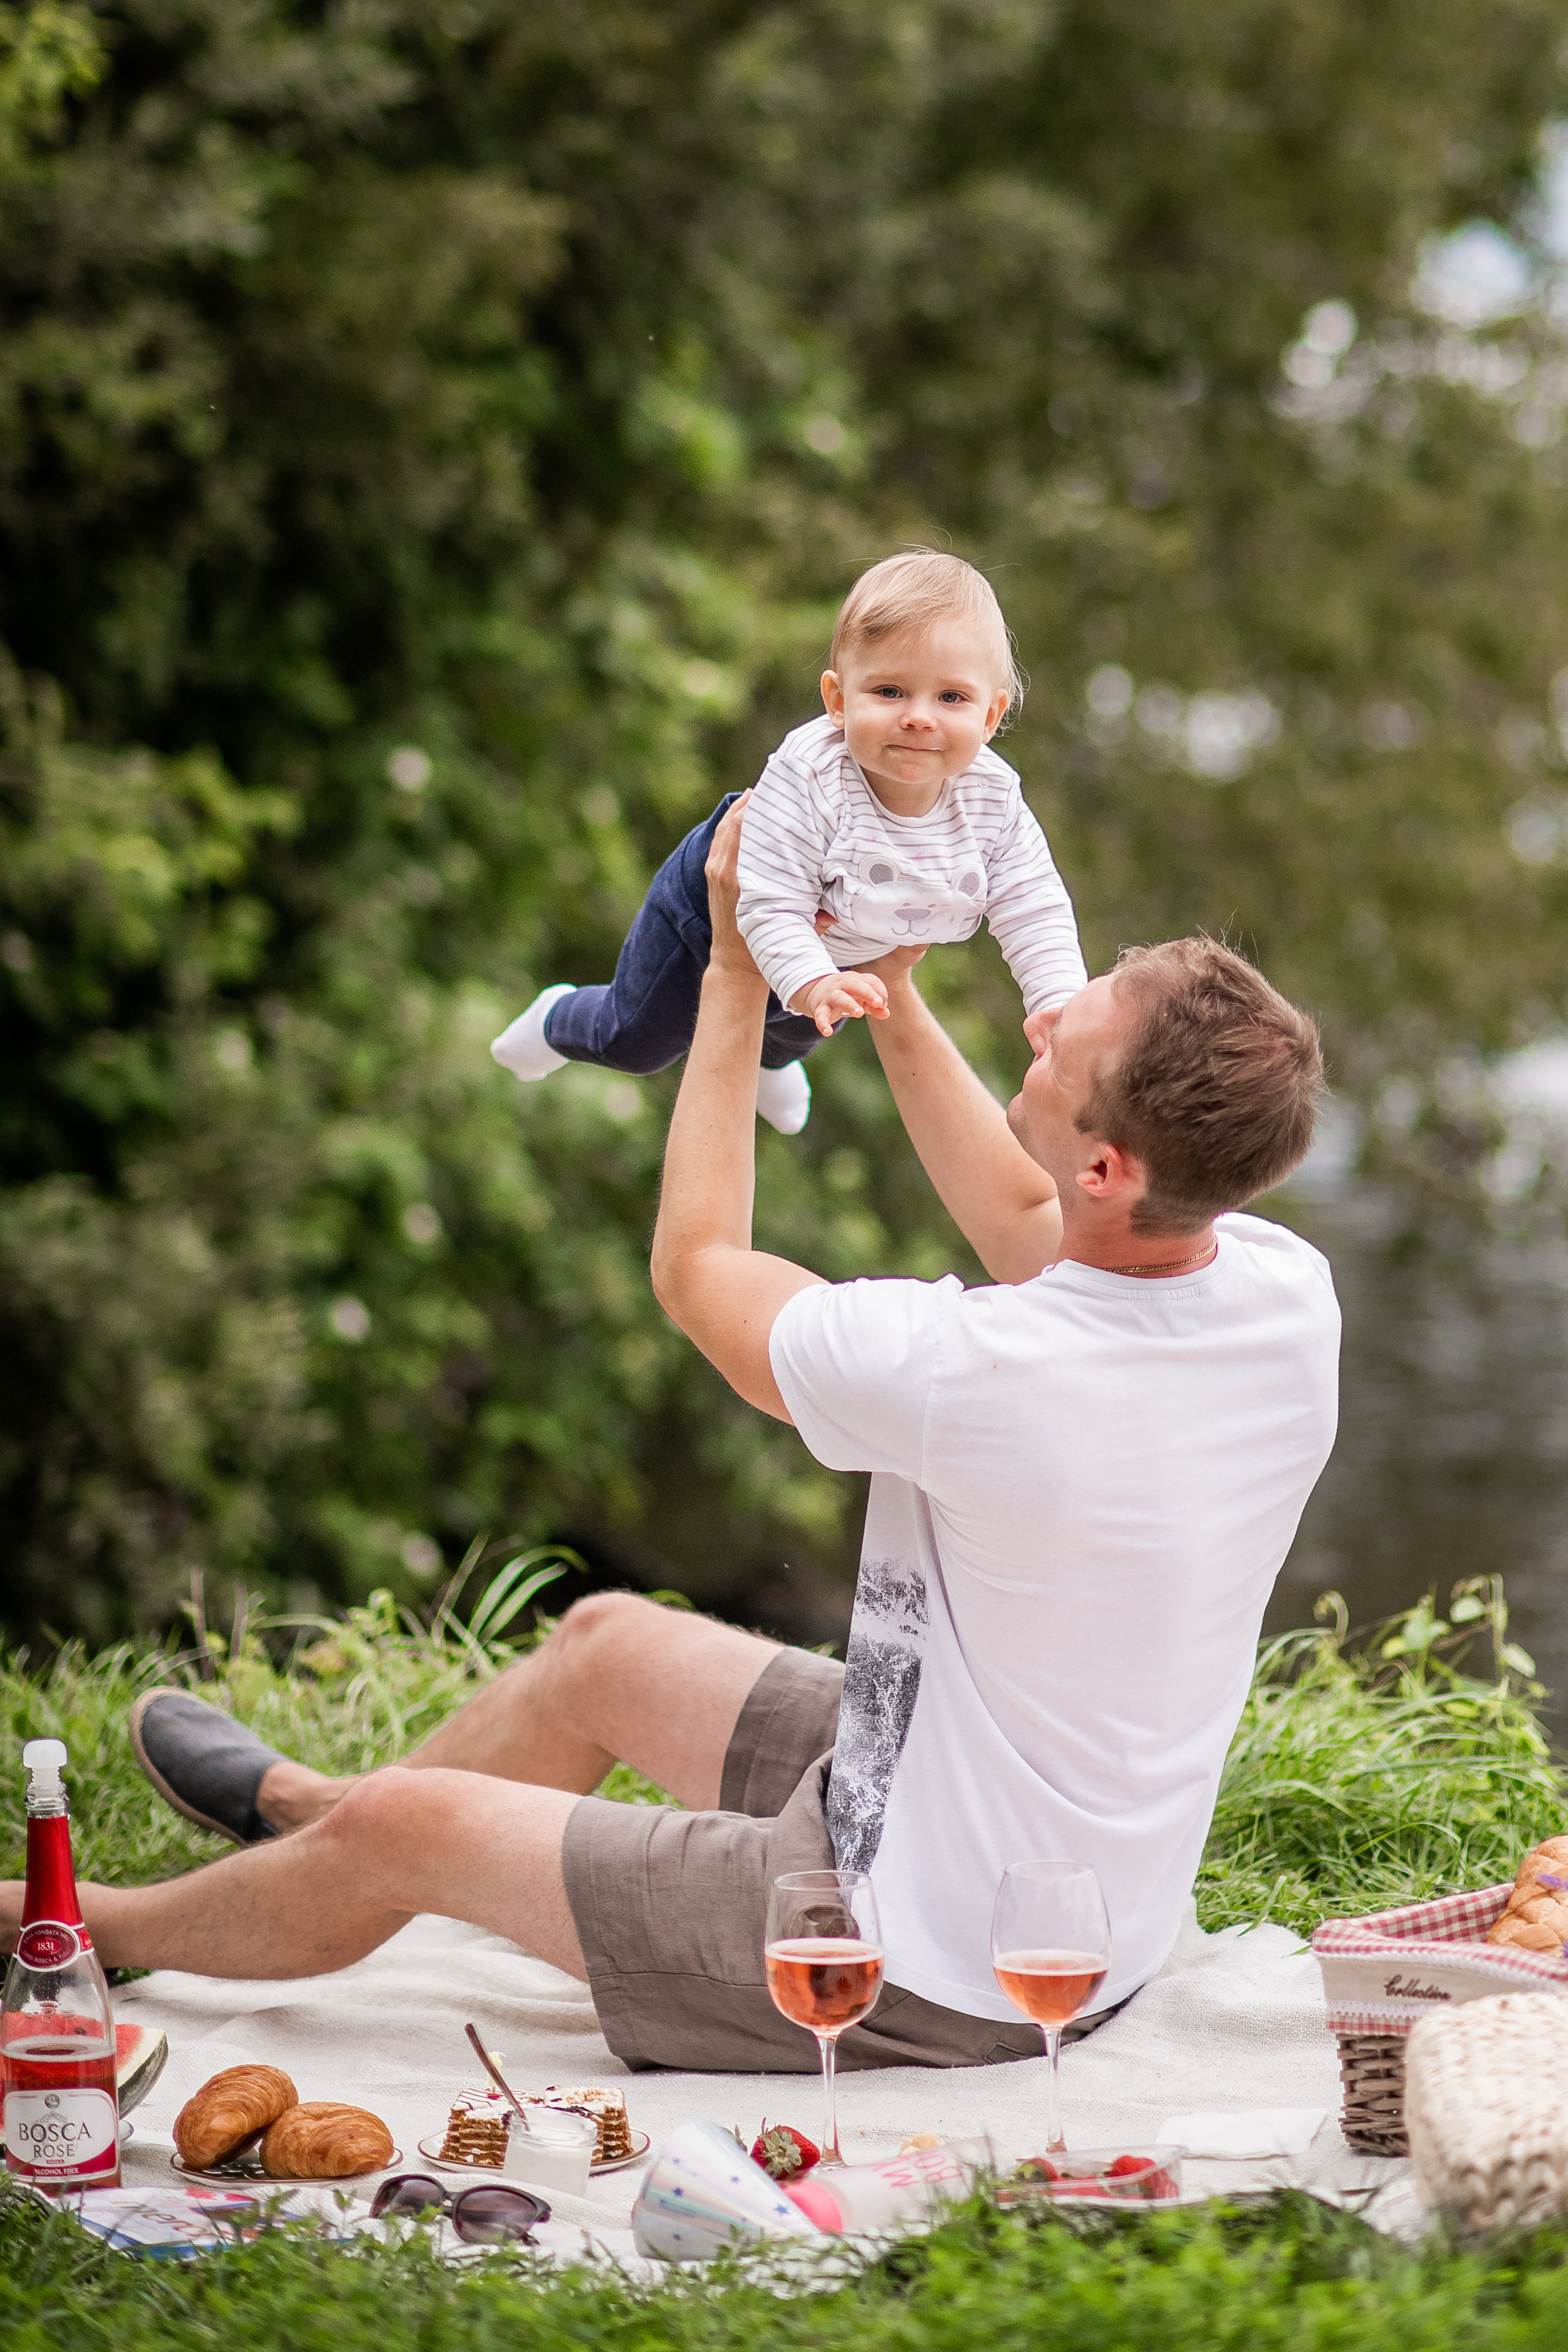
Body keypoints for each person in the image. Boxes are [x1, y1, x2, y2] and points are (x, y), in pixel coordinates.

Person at [4, 806, 1339, 2075]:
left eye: (1059, 1045)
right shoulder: (1275, 1292)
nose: (1038, 1025)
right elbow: (1028, 1219)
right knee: (602, 1647)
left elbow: (701, 1272)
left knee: (417, 1828)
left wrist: (738, 982)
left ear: (1106, 1170)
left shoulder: (979, 1374)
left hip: (926, 1971)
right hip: (996, 1835)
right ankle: (310, 1811)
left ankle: (90, 1934)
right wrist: (882, 982)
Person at [490, 549, 1085, 1134]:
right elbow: (768, 903)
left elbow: (1032, 902)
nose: (919, 717)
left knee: (810, 1020)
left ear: (989, 715)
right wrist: (810, 981)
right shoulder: (812, 777)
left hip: (840, 941)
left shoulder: (992, 798)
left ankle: (771, 1061)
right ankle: (557, 1018)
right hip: (718, 906)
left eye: (951, 697)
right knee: (640, 1041)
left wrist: (1057, 1000)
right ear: (836, 701)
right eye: (889, 692)